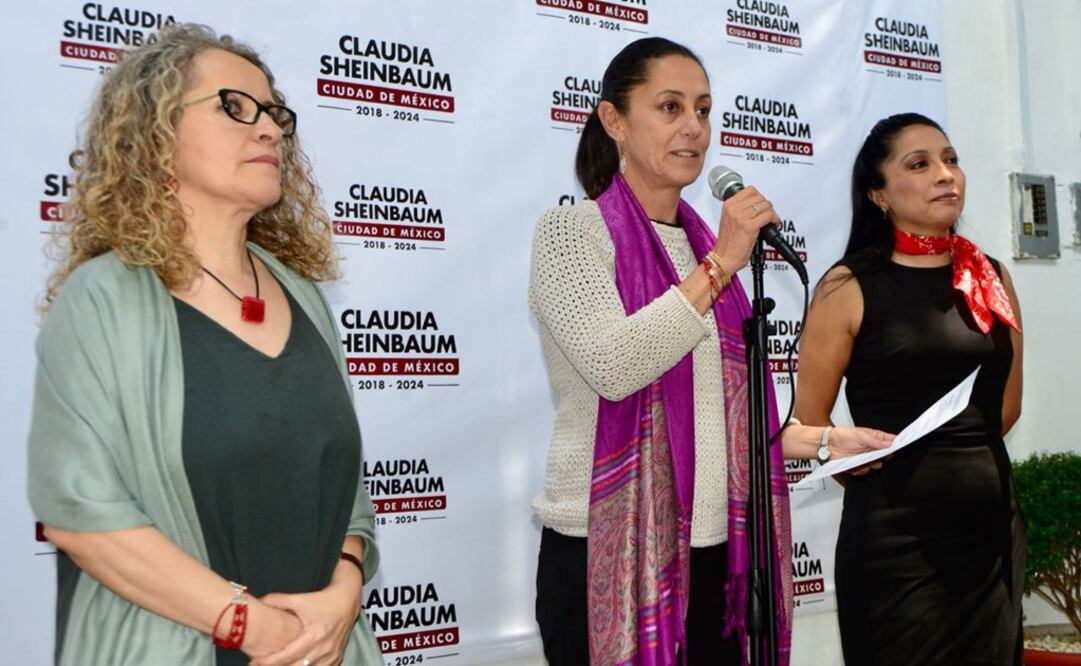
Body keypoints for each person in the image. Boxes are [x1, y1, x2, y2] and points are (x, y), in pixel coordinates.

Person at [528, 37, 893, 666]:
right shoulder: (571, 232)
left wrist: (828, 441)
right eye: (669, 108)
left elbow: (722, 425)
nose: (693, 128)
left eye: (702, 109)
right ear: (613, 120)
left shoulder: (704, 247)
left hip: (719, 559)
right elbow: (617, 368)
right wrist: (723, 263)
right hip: (607, 557)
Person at [27, 24, 381, 666]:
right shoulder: (100, 300)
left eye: (275, 113)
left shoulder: (301, 295)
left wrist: (343, 591)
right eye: (234, 108)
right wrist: (254, 629)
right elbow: (82, 516)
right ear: (155, 134)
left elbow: (344, 492)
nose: (270, 129)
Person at [792, 113, 1025, 665]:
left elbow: (1006, 408)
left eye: (951, 160)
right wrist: (845, 450)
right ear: (879, 194)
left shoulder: (989, 276)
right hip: (895, 545)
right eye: (920, 165)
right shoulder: (847, 286)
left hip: (988, 538)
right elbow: (807, 427)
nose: (946, 174)